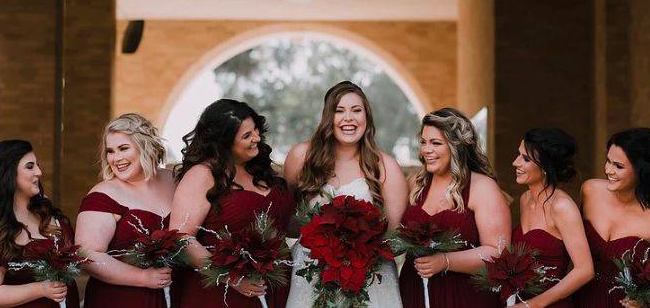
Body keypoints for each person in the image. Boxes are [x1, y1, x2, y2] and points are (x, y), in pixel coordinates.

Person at [284, 80, 408, 307]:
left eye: (356, 110)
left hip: (369, 277)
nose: (348, 118)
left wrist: (356, 248)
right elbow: (288, 221)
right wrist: (323, 242)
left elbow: (393, 236)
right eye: (339, 111)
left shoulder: (386, 166)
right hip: (310, 272)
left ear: (367, 117)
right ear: (327, 118)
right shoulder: (301, 157)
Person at [169, 99, 294, 308]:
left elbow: (285, 224)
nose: (256, 138)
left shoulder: (262, 171)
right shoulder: (202, 175)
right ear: (223, 142)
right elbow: (180, 238)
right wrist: (231, 278)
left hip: (276, 289)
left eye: (255, 130)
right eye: (246, 135)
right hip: (222, 294)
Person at [399, 108, 510, 308]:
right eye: (423, 142)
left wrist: (445, 261)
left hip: (464, 296)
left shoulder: (482, 187)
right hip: (414, 290)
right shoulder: (415, 183)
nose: (426, 150)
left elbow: (499, 253)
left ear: (456, 147)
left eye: (436, 143)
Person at [76, 113, 175, 308]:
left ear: (145, 146)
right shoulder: (103, 194)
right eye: (110, 151)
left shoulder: (175, 180)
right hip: (120, 298)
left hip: (176, 294)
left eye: (123, 148)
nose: (116, 158)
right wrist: (142, 277)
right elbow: (86, 254)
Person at [0, 139, 80, 308]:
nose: (39, 172)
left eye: (37, 165)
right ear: (8, 173)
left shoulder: (45, 210)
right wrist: (40, 289)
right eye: (30, 166)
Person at [510, 128, 593, 308]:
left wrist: (533, 304)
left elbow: (585, 270)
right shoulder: (525, 199)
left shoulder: (562, 207)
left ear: (545, 166)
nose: (515, 162)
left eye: (525, 159)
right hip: (520, 300)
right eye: (518, 155)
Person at [576, 128, 650, 308]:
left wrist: (647, 301)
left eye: (618, 166)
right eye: (608, 161)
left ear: (642, 170)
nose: (608, 170)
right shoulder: (590, 190)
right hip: (580, 299)